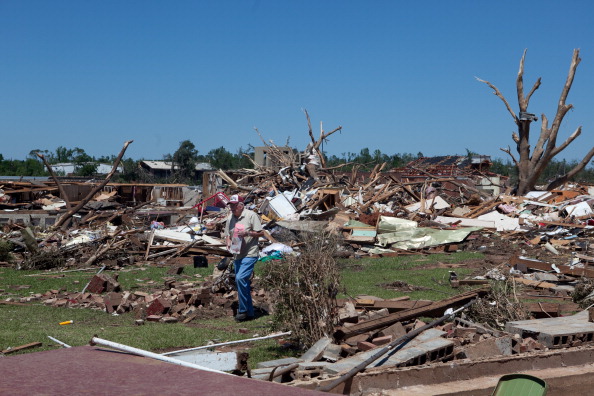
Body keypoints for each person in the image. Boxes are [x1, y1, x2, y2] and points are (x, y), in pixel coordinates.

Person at [224, 194, 264, 322]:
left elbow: (261, 233)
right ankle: (250, 313)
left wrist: (248, 233)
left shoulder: (251, 215)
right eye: (231, 205)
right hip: (237, 254)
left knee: (240, 278)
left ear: (241, 206)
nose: (232, 208)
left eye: (234, 205)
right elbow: (227, 234)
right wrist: (228, 242)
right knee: (243, 283)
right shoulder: (230, 218)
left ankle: (242, 311)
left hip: (250, 253)